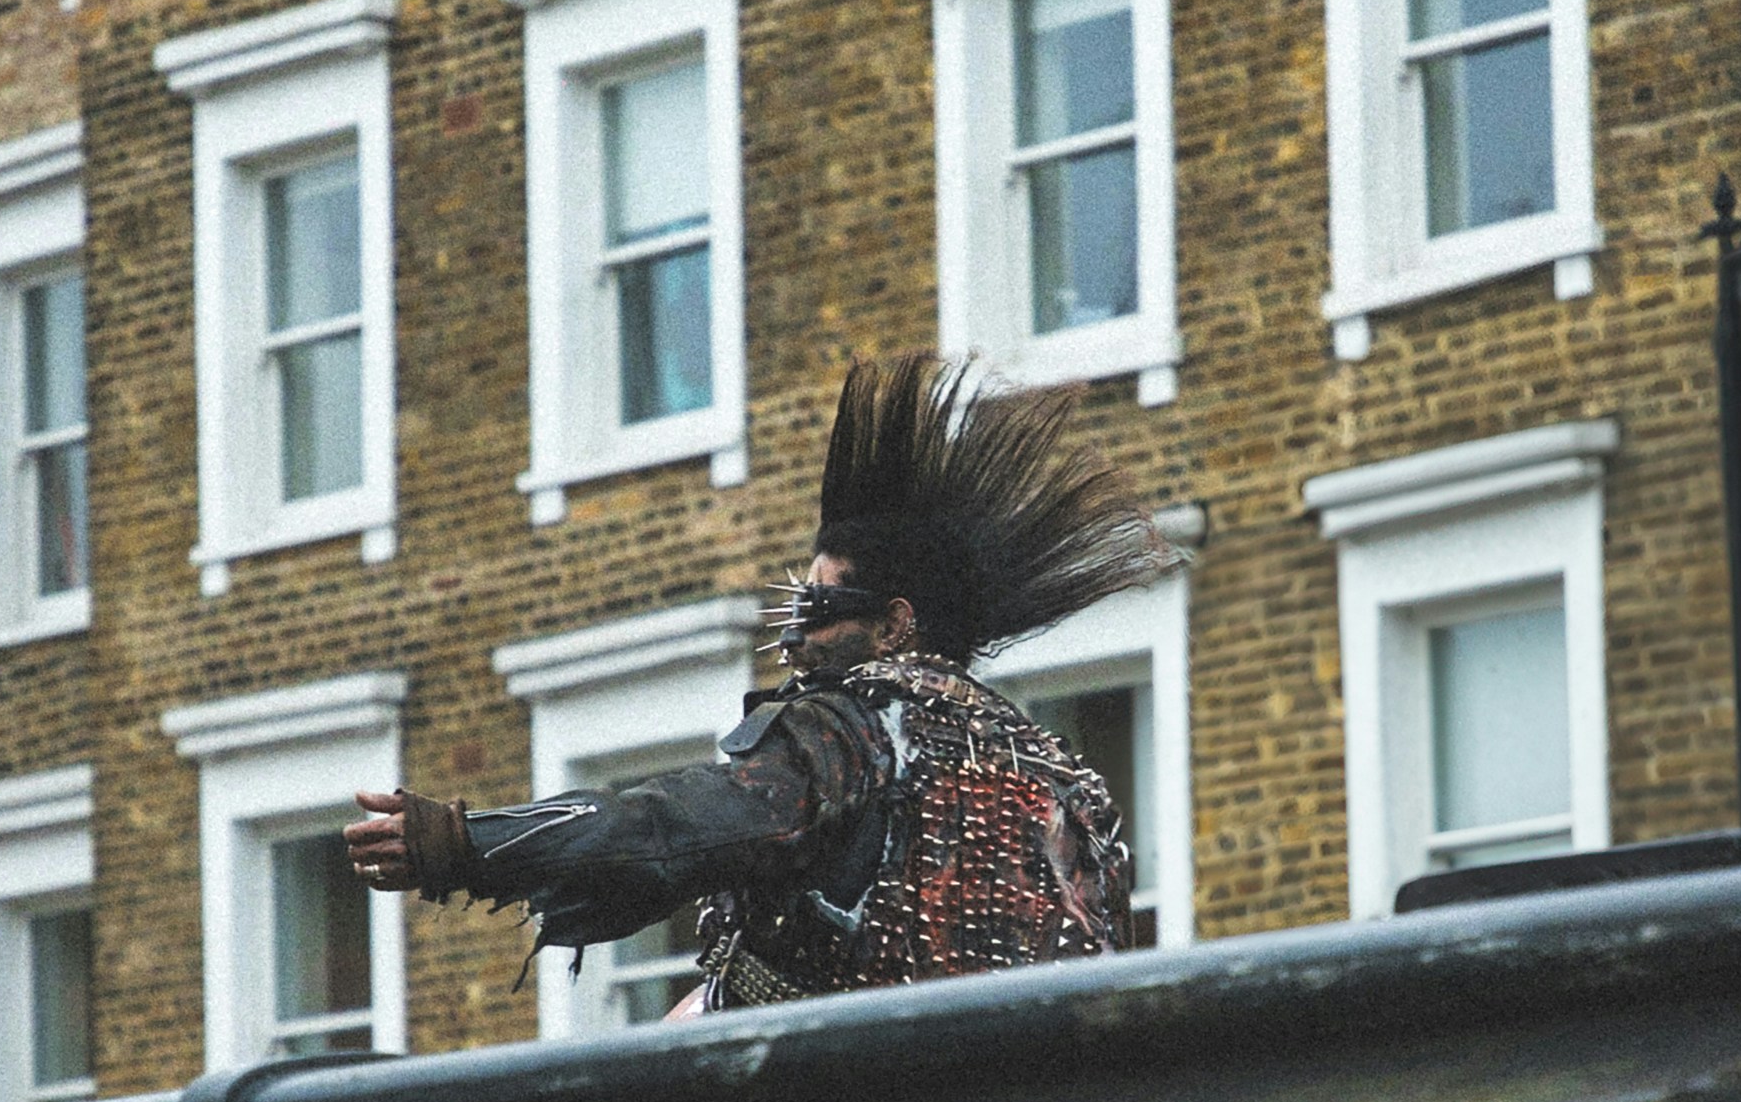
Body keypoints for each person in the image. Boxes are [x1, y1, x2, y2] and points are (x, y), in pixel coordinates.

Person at [344, 353, 1171, 1011]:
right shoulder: (1062, 775)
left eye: (818, 603)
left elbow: (676, 827)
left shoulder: (850, 727)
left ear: (893, 624)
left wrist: (467, 843)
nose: (795, 631)